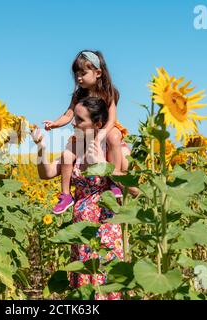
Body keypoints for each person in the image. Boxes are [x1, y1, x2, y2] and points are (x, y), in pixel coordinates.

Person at [32, 96, 138, 300]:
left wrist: (104, 165)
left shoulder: (113, 148)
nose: (74, 123)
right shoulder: (74, 148)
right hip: (81, 234)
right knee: (84, 292)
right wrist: (40, 147)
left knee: (106, 287)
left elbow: (135, 189)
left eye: (80, 119)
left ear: (97, 124)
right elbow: (45, 173)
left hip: (105, 232)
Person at [43, 50, 129, 214]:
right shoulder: (78, 94)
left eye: (83, 73)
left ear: (97, 73)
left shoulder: (109, 92)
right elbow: (69, 114)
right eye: (76, 74)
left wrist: (101, 135)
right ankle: (66, 195)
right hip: (84, 133)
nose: (78, 78)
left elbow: (111, 120)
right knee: (67, 155)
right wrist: (55, 124)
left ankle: (112, 181)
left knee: (115, 136)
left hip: (105, 128)